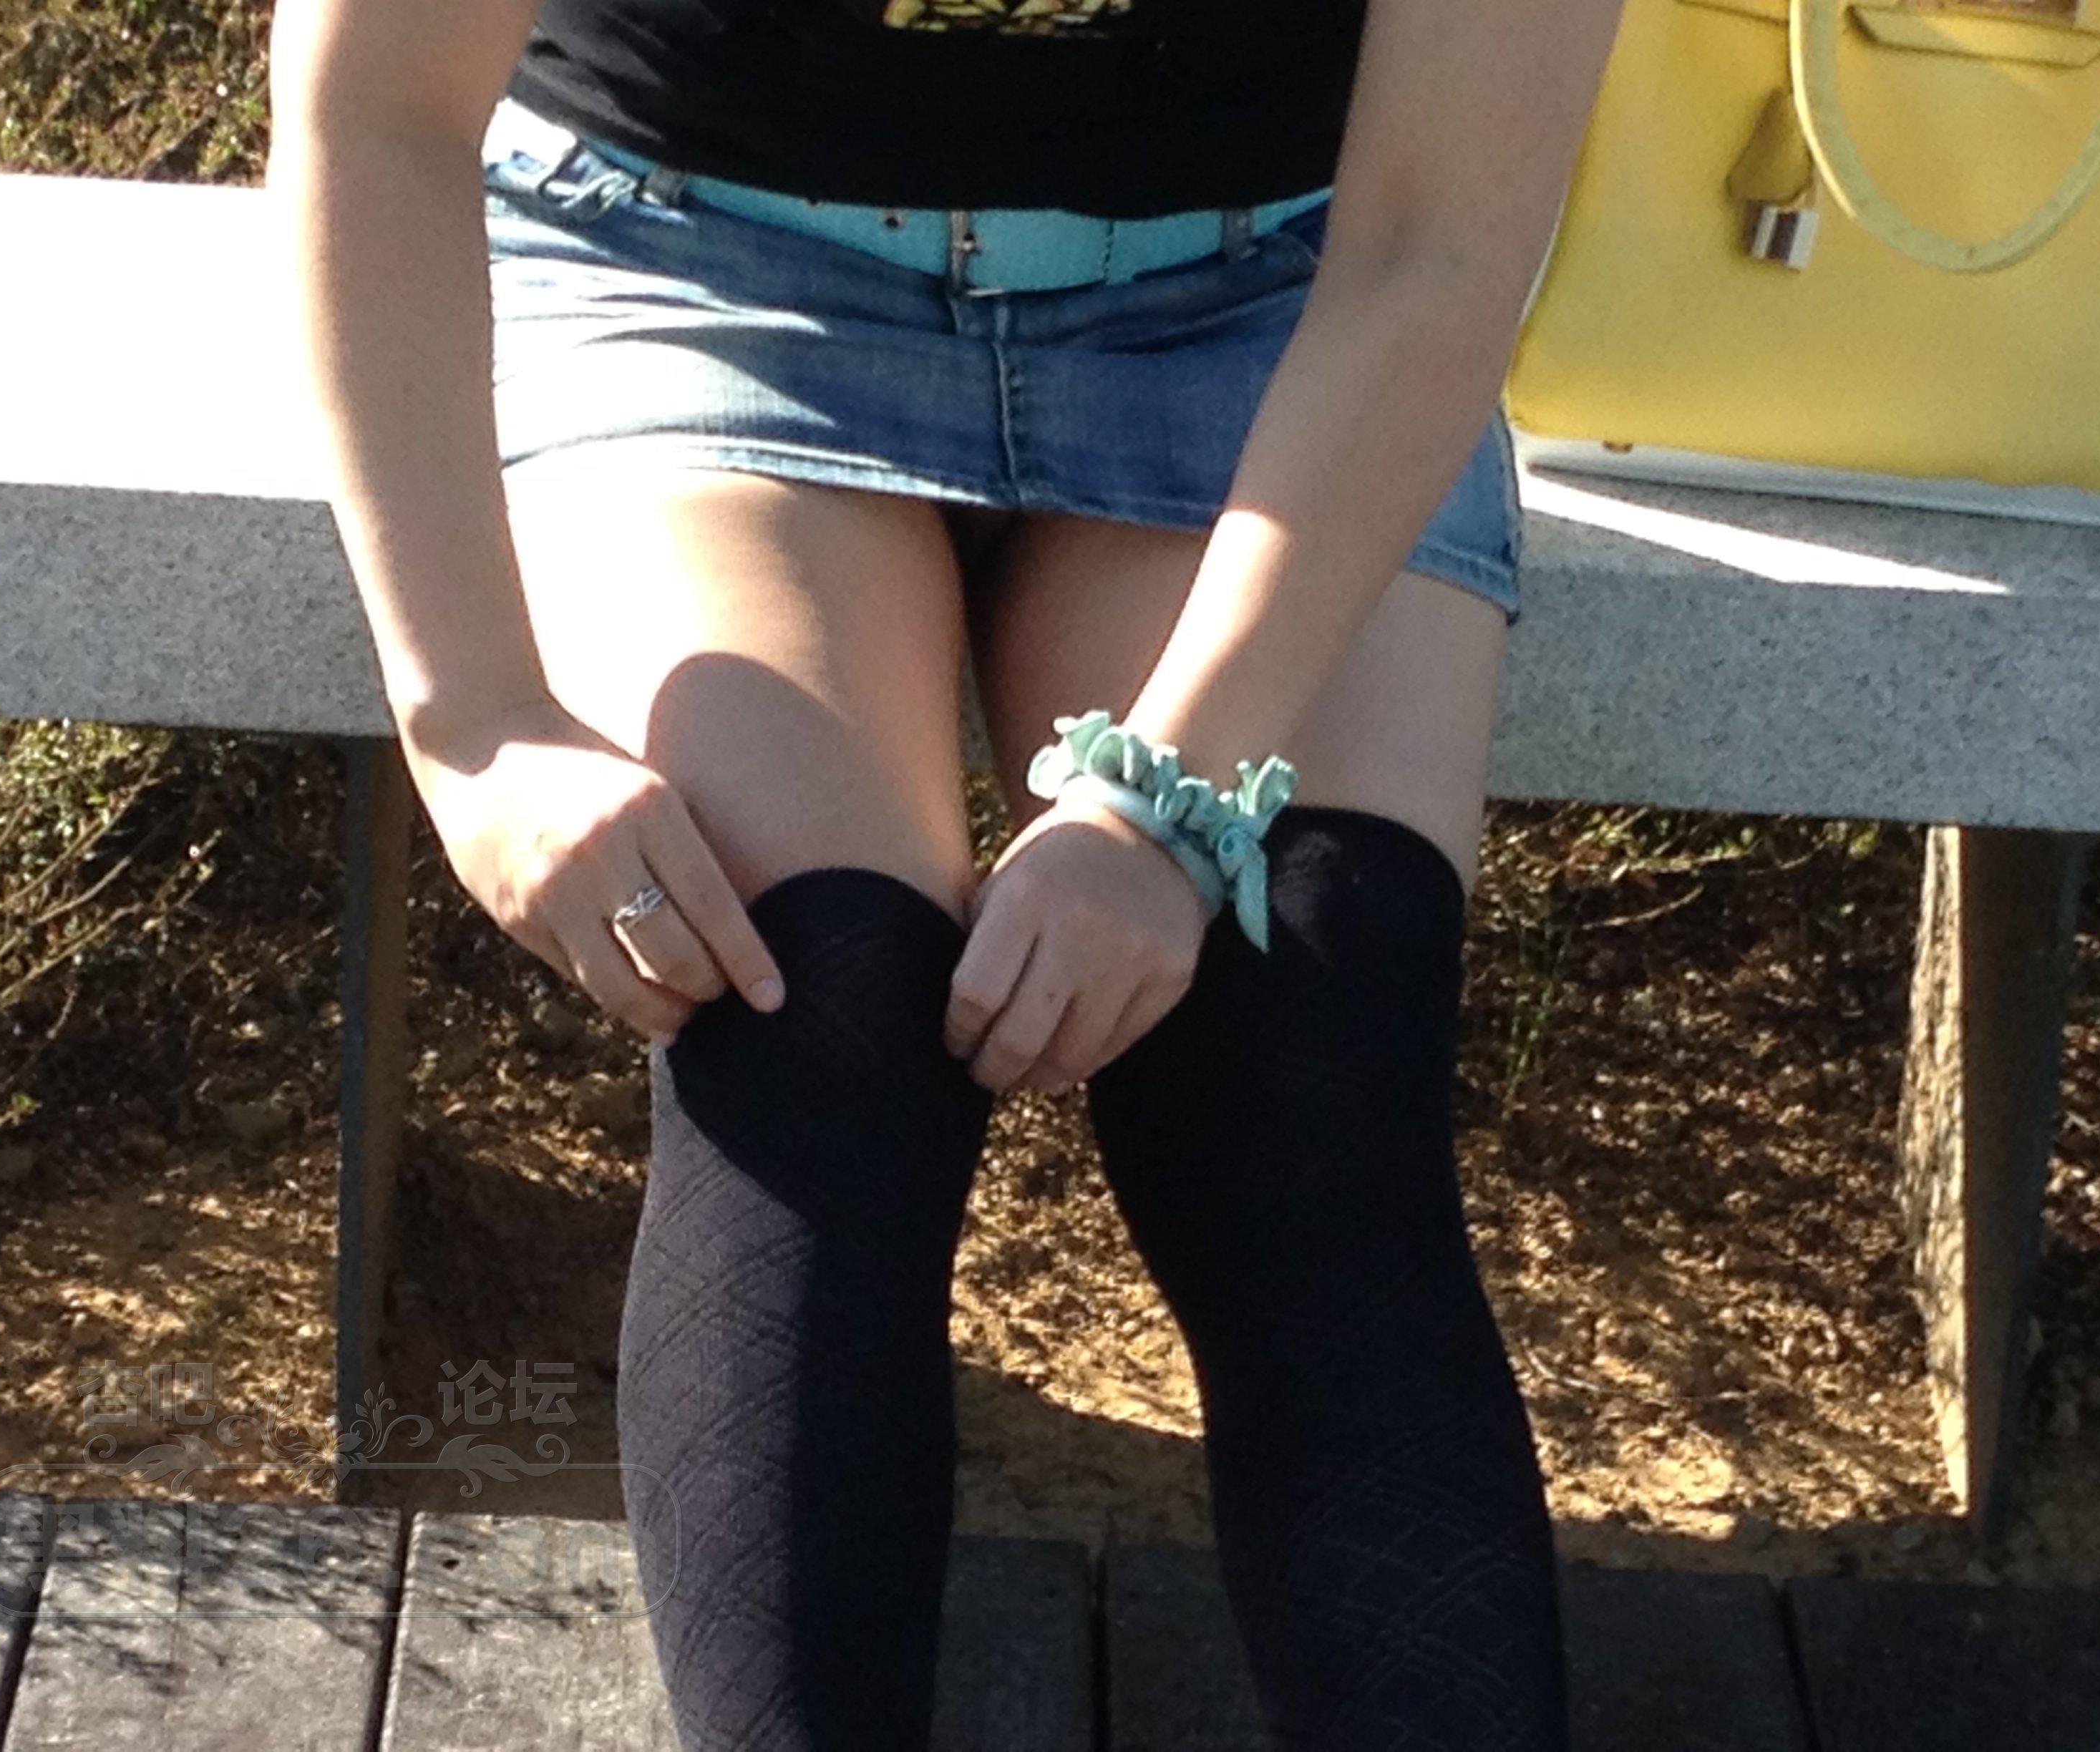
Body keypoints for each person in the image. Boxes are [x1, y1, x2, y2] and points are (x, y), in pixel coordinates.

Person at [272, 0, 1621, 1741]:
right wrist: (476, 721)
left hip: (1272, 301)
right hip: (690, 261)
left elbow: (1438, 242)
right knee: (810, 1003)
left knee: (1301, 1018)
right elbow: (374, 106)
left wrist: (1167, 803)